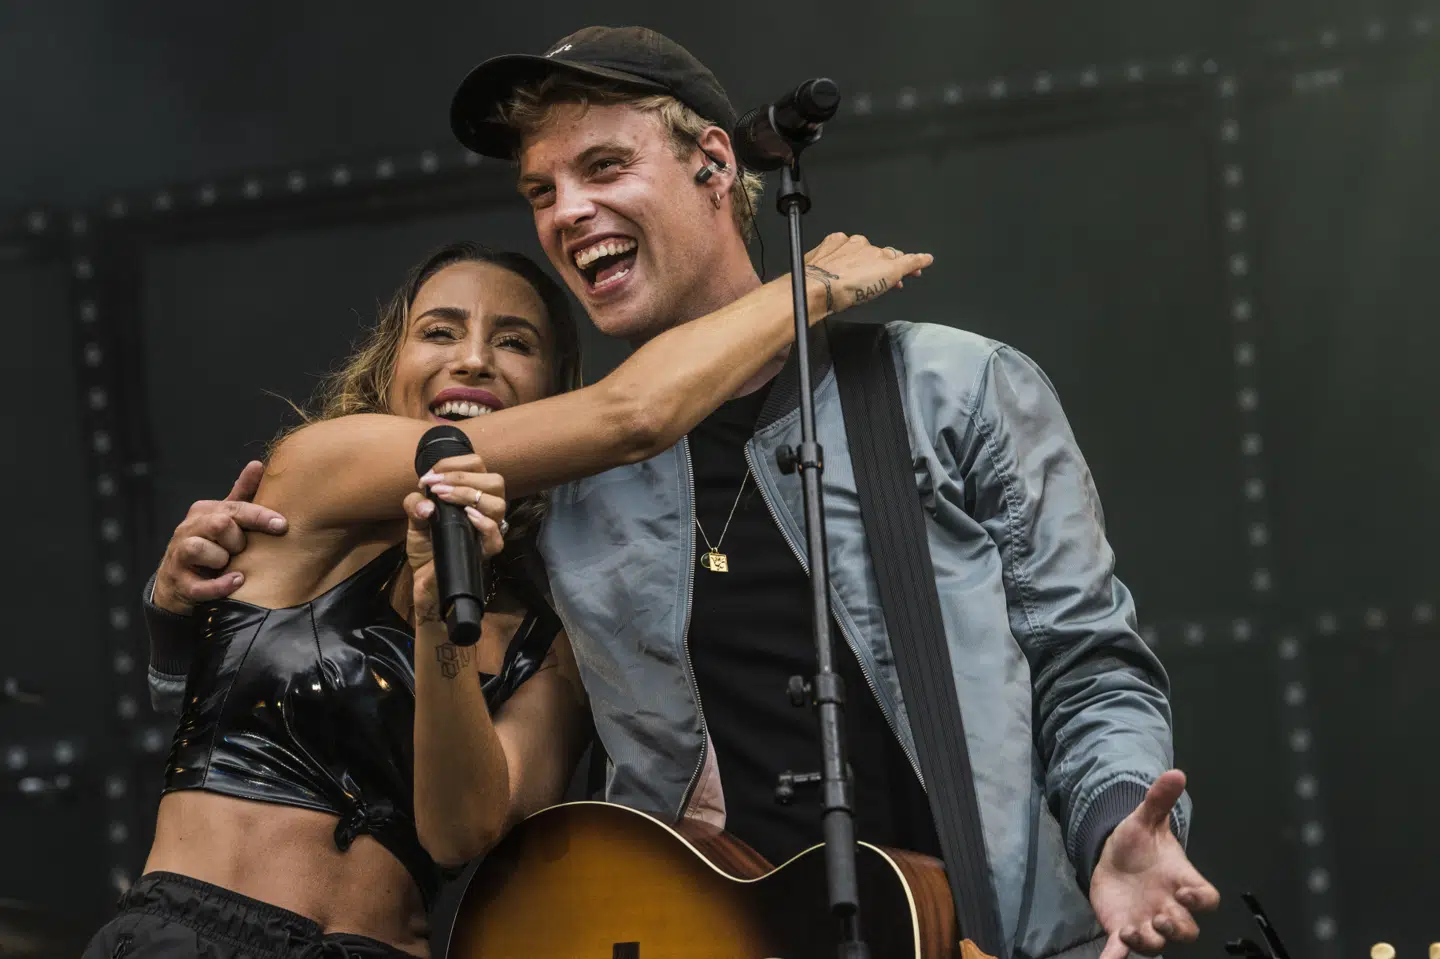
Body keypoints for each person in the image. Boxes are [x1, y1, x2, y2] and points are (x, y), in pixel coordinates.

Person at [147, 24, 1216, 959]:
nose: (568, 211)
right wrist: (191, 617)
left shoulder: (955, 387)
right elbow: (399, 700)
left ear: (715, 161)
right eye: (541, 190)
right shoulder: (569, 494)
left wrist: (1119, 820)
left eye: (603, 167)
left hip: (992, 930)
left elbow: (1089, 661)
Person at [99, 234, 926, 959]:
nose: (473, 359)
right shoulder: (317, 470)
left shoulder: (549, 633)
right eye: (439, 331)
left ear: (548, 389)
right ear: (390, 365)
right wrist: (805, 286)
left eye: (514, 341)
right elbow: (629, 414)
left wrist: (438, 623)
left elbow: (463, 831)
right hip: (195, 933)